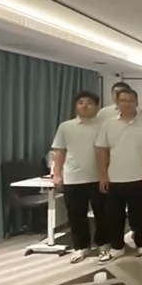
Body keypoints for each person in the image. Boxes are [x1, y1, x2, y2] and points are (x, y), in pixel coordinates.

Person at [95, 88, 142, 262]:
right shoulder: (108, 124)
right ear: (117, 103)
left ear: (137, 102)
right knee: (114, 215)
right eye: (123, 100)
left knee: (140, 215)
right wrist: (103, 176)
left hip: (139, 177)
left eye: (131, 101)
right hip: (114, 178)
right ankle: (117, 246)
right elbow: (102, 150)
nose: (127, 104)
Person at [51, 90, 108, 264]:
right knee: (76, 215)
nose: (85, 106)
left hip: (99, 177)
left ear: (96, 107)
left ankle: (103, 244)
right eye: (81, 102)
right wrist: (57, 174)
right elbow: (59, 151)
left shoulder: (104, 126)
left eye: (89, 102)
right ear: (76, 106)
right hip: (73, 177)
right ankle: (81, 247)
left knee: (102, 214)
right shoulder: (66, 126)